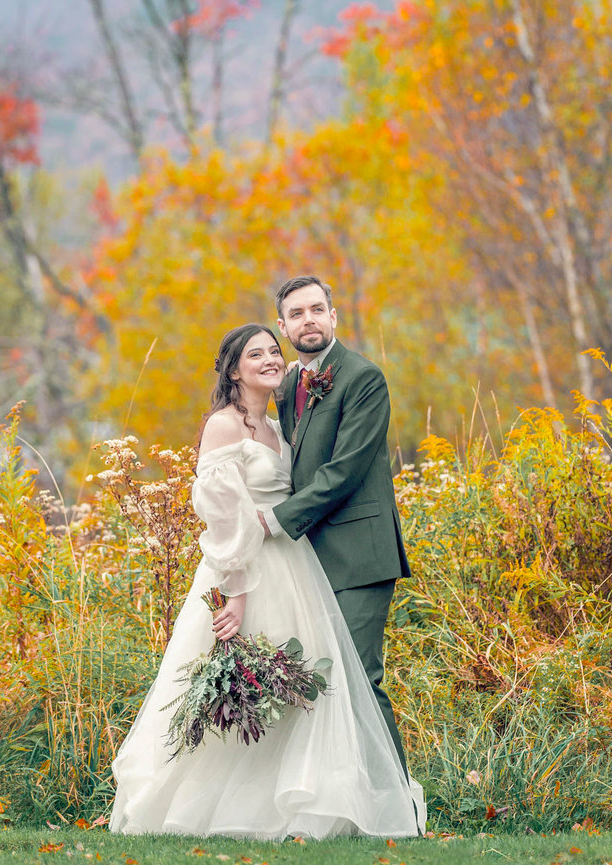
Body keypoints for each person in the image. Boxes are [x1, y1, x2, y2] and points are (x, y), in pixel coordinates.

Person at [109, 324, 424, 839]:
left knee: (299, 687)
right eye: (255, 354)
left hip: (296, 564)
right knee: (243, 686)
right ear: (234, 369)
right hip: (245, 572)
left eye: (273, 352)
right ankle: (199, 807)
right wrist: (235, 590)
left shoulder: (280, 424)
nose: (270, 360)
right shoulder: (224, 426)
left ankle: (289, 807)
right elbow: (224, 516)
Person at [258, 276, 413, 771]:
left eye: (317, 309)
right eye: (297, 314)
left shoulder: (362, 378)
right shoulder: (285, 387)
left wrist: (274, 521)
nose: (309, 320)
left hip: (361, 555)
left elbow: (343, 471)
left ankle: (399, 807)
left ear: (334, 317)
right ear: (283, 327)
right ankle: (346, 804)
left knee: (360, 680)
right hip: (308, 561)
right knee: (315, 682)